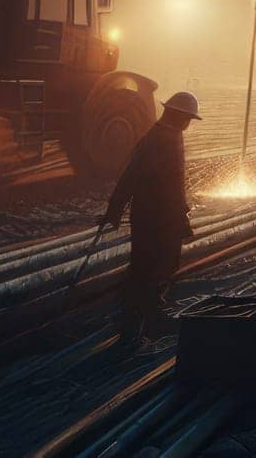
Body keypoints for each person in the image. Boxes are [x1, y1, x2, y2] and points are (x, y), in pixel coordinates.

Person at [105, 90, 199, 350]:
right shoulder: (155, 140)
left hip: (167, 217)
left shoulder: (171, 136)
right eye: (188, 118)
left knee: (164, 267)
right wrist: (114, 210)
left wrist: (181, 212)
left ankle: (153, 315)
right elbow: (130, 178)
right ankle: (133, 328)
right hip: (152, 218)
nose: (189, 123)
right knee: (145, 270)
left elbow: (174, 182)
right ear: (177, 116)